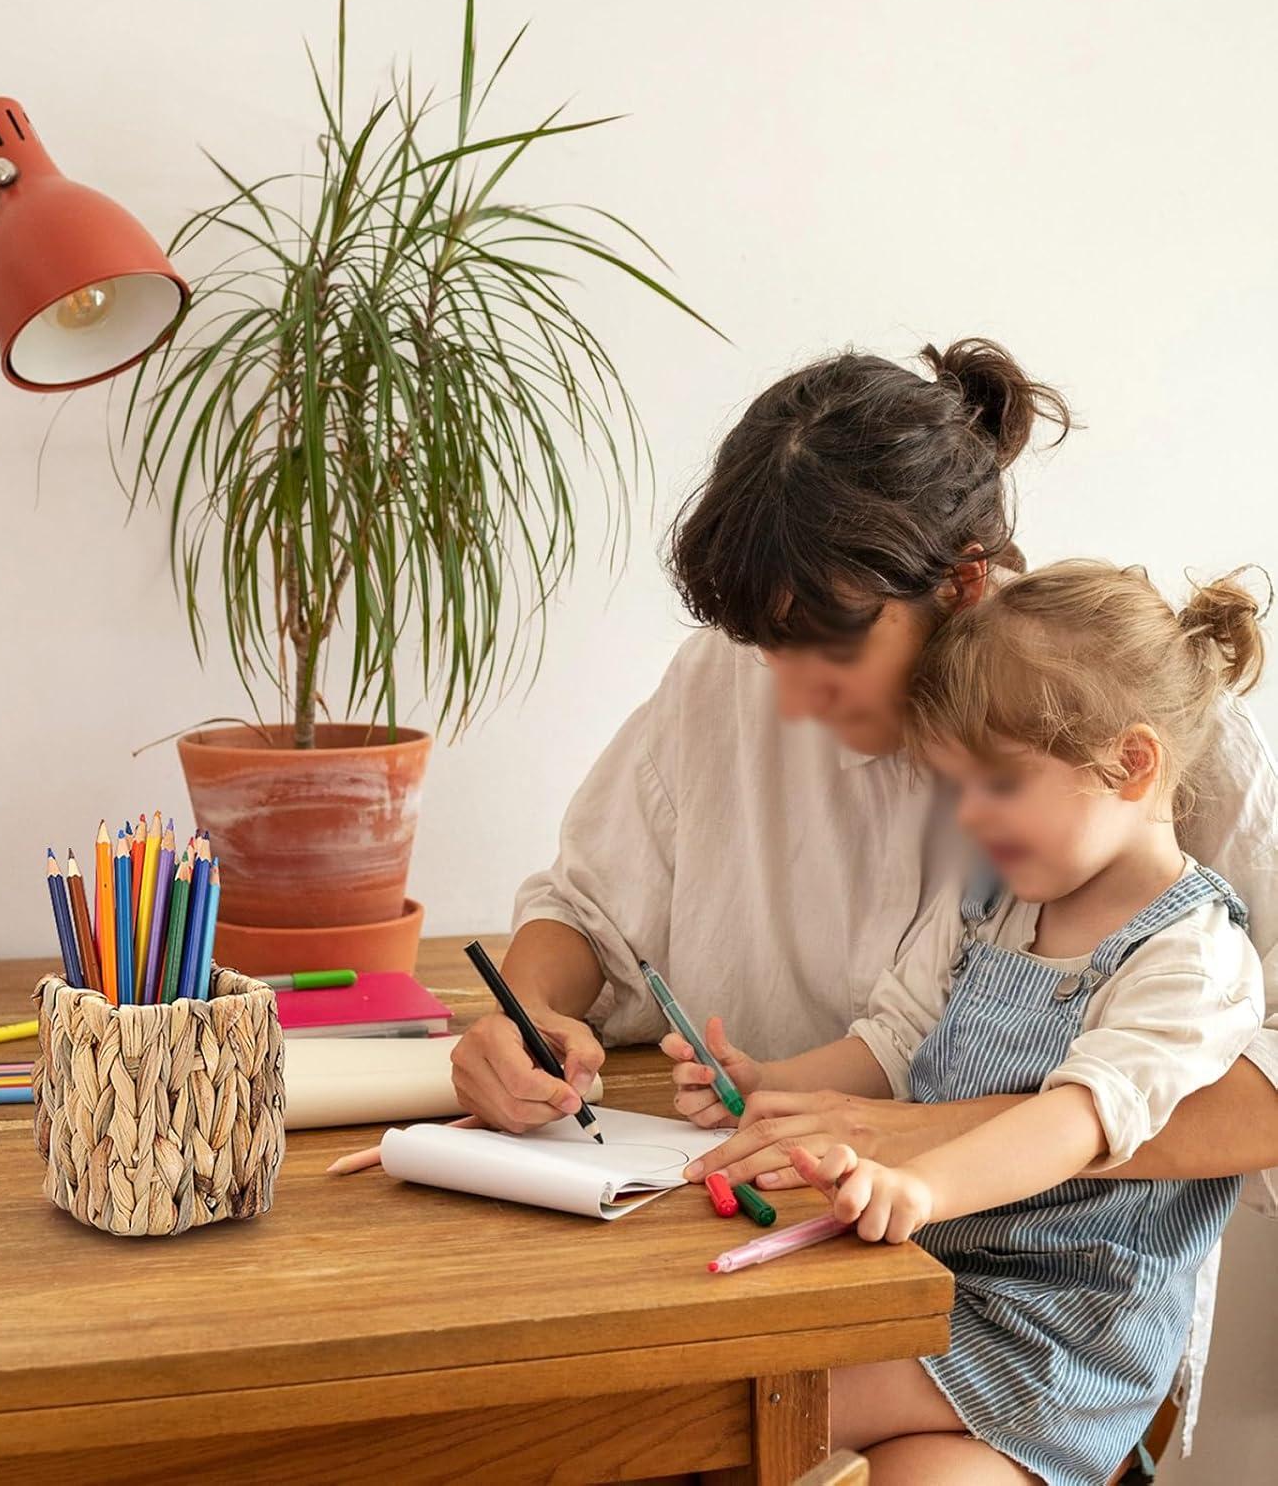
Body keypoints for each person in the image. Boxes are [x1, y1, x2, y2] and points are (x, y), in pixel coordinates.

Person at [449, 340, 1278, 1213]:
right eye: (770, 651)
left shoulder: (1145, 726)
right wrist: (529, 1016)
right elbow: (587, 910)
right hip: (782, 1209)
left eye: (834, 650)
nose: (796, 700)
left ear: (962, 579)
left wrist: (931, 1133)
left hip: (1049, 1295)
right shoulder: (725, 677)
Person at [665, 560, 1267, 1485]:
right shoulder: (992, 896)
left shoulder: (1193, 957)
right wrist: (766, 1079)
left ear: (1132, 763)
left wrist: (925, 1188)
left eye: (1000, 785)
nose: (970, 817)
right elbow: (897, 1038)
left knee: (743, 1409)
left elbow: (1078, 1121)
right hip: (932, 1289)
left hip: (1062, 1338)